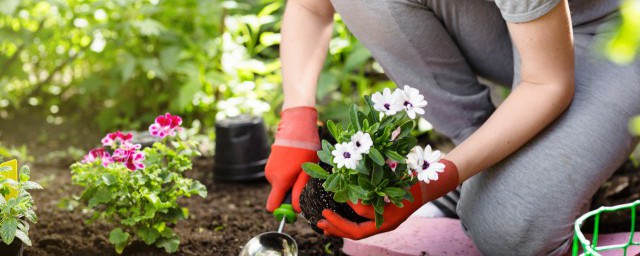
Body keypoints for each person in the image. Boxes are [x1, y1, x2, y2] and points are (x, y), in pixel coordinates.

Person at [264, 0, 640, 255]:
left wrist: (430, 183)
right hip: (520, 29)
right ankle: (480, 169)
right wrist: (296, 119)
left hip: (614, 33)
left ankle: (489, 182)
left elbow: (548, 83)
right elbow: (311, 6)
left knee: (507, 232)